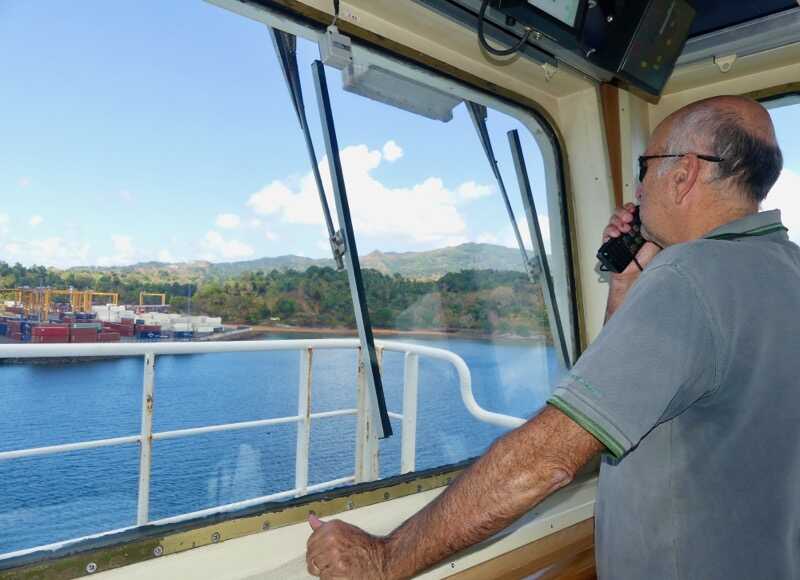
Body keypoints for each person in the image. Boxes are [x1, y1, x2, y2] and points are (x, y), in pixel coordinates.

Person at [306, 95, 796, 579]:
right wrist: (626, 285)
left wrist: (386, 557)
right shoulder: (785, 267)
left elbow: (549, 459)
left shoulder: (686, 278)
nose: (639, 188)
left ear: (685, 172)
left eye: (645, 165)